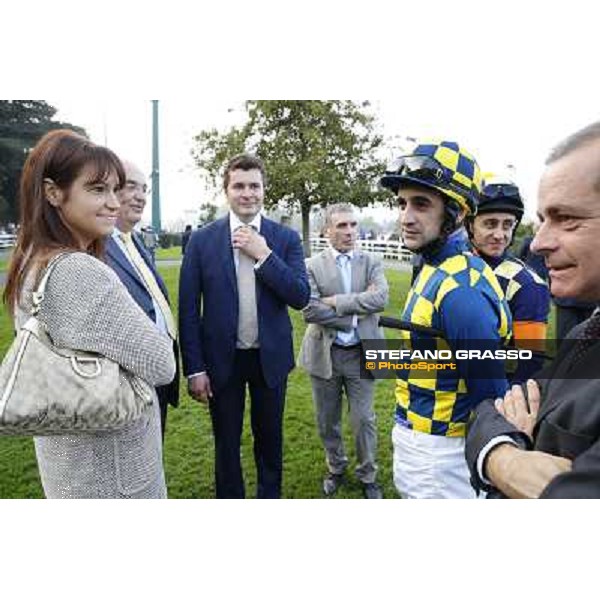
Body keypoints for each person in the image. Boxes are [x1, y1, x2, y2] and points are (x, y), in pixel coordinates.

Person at [2, 130, 175, 498]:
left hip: (67, 465)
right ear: (53, 193)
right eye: (97, 189)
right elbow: (162, 364)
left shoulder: (32, 262)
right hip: (115, 474)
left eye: (116, 189)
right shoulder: (79, 271)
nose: (114, 202)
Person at [466, 121, 600, 499]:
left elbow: (526, 363)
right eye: (490, 223)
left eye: (566, 218)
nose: (534, 241)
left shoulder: (527, 283)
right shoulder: (583, 334)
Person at [379, 140, 511, 498]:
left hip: (441, 457)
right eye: (402, 203)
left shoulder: (460, 292)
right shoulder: (435, 264)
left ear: (456, 213)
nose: (406, 216)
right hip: (424, 445)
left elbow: (492, 401)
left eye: (421, 204)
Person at [178, 153, 310, 499]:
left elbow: (299, 296)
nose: (247, 193)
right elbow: (189, 309)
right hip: (223, 360)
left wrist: (263, 254)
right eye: (239, 186)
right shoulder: (202, 240)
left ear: (265, 190)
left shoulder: (285, 238)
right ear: (226, 191)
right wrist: (194, 368)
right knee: (226, 443)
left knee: (270, 441)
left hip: (270, 359)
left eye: (255, 185)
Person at [298, 203, 389, 499]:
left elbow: (380, 299)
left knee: (364, 419)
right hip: (325, 353)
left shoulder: (372, 261)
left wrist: (337, 301)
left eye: (353, 225)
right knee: (328, 420)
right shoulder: (311, 265)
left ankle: (368, 474)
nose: (350, 231)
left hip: (364, 352)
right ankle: (335, 467)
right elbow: (310, 310)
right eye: (342, 226)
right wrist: (352, 314)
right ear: (327, 231)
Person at [105, 160, 180, 439]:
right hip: (127, 381)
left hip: (157, 375)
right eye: (131, 186)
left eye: (144, 189)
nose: (140, 196)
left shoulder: (134, 240)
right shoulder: (95, 245)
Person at [466, 179, 550, 383]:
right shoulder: (452, 266)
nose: (499, 235)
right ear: (470, 225)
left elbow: (529, 360)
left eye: (507, 225)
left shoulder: (529, 285)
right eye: (490, 224)